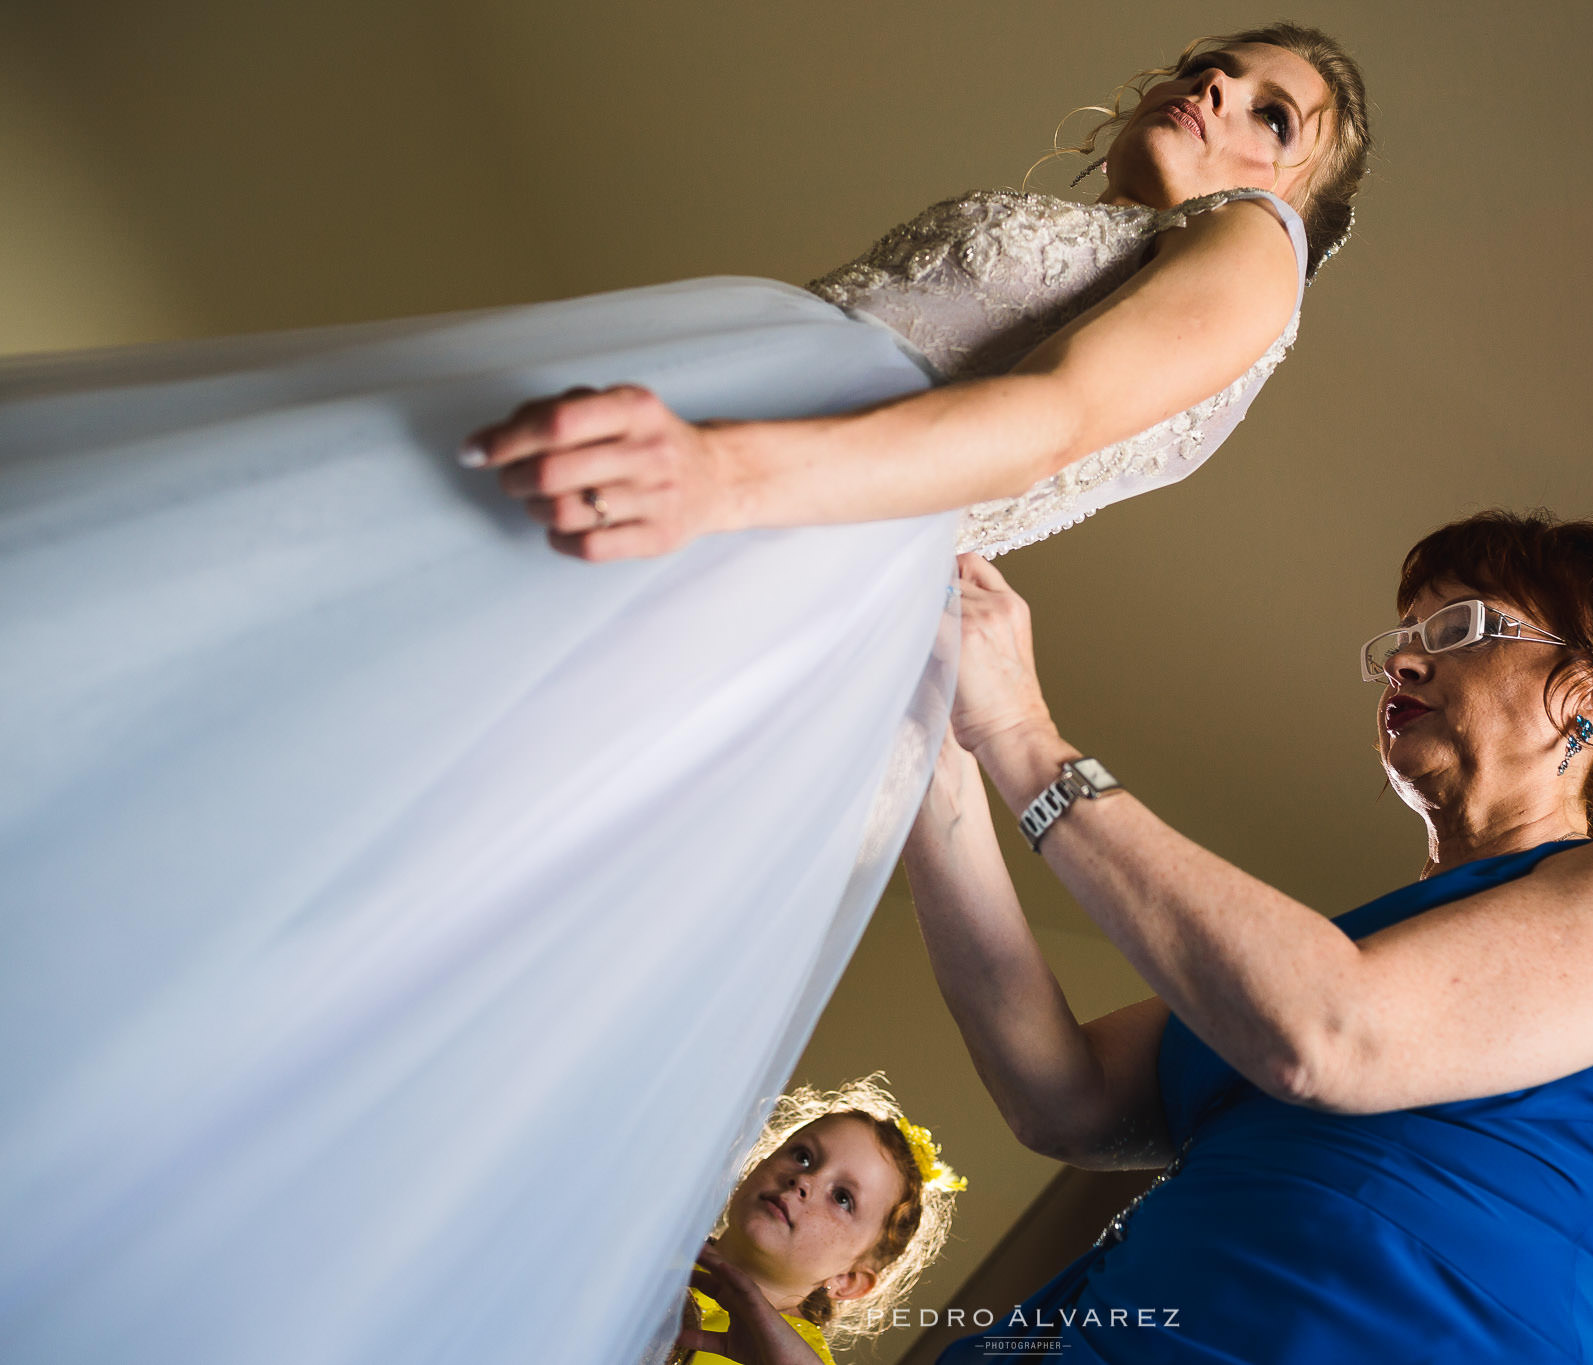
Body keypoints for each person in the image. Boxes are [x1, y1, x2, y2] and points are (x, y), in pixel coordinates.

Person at [0, 23, 1369, 1365]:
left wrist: (724, 478)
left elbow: (1060, 414)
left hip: (758, 510)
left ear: (1303, 190)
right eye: (1218, 69)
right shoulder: (1163, 242)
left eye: (1274, 115)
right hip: (781, 501)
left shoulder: (1259, 244)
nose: (1220, 92)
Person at [904, 511, 1593, 1362]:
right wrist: (935, 760)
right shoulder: (1328, 952)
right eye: (1401, 633)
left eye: (1460, 625)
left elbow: (1329, 1031)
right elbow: (1066, 1099)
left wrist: (1021, 736)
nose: (1400, 657)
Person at [663, 1076, 964, 1365]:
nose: (804, 1180)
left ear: (847, 1280)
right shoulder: (656, 1240)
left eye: (842, 1198)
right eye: (803, 1156)